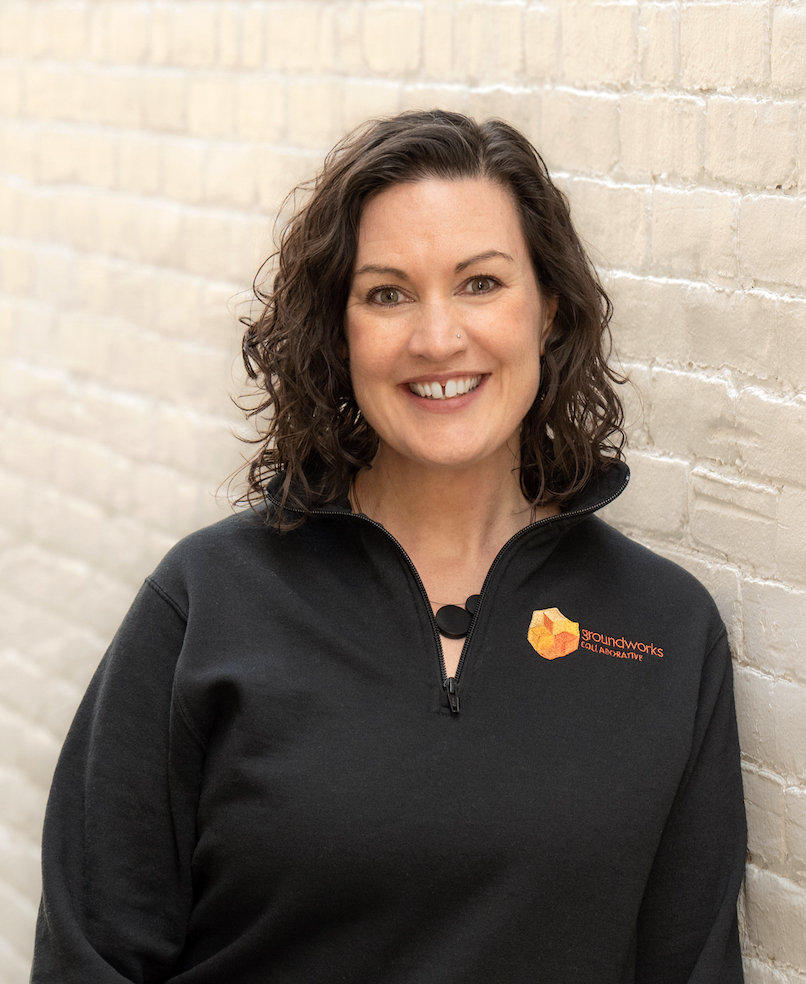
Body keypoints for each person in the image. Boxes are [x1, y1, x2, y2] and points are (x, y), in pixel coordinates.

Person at [31, 110, 746, 983]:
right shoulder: (208, 602)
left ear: (549, 311)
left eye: (480, 283)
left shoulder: (665, 630)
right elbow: (90, 953)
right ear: (340, 330)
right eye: (387, 292)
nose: (437, 337)